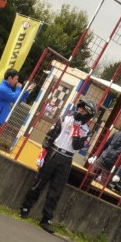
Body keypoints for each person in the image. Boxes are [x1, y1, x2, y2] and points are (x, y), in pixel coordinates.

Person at [20, 98, 97, 234]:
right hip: (54, 153)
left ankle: (46, 219)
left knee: (56, 190)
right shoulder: (64, 119)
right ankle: (25, 208)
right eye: (80, 108)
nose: (80, 111)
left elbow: (77, 146)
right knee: (39, 182)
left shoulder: (87, 131)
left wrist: (77, 132)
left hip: (67, 158)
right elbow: (50, 136)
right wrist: (42, 154)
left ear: (89, 115)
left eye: (84, 111)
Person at [0, 68, 35, 145]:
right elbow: (15, 98)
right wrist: (18, 88)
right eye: (16, 79)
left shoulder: (8, 89)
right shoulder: (3, 88)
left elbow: (17, 101)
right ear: (10, 78)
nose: (17, 81)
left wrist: (27, 92)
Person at [91, 123, 121, 191]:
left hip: (112, 165)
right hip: (102, 159)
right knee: (89, 175)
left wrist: (118, 174)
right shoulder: (117, 134)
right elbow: (105, 145)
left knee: (101, 186)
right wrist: (95, 155)